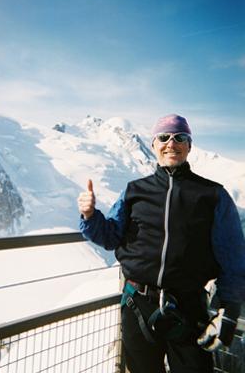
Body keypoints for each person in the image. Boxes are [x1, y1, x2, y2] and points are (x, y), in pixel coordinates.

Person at [77, 114, 245, 373]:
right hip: (138, 306)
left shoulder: (212, 195)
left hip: (188, 307)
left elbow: (233, 257)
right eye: (164, 137)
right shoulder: (134, 191)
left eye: (180, 137)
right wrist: (90, 216)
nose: (171, 143)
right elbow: (110, 236)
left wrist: (229, 312)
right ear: (154, 145)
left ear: (189, 146)